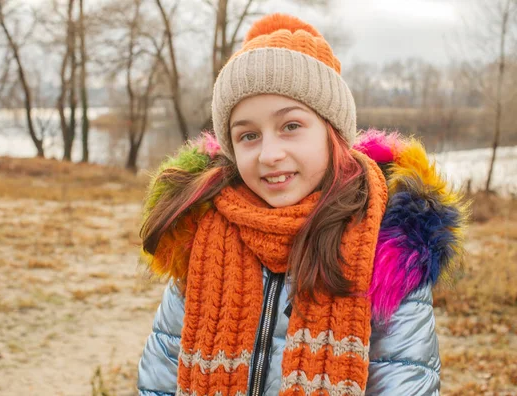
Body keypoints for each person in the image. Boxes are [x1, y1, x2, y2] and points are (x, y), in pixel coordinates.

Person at [136, 13, 467, 396]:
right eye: (248, 135)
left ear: (332, 133)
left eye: (290, 126)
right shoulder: (200, 236)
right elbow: (160, 378)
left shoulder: (385, 249)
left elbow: (404, 381)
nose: (269, 154)